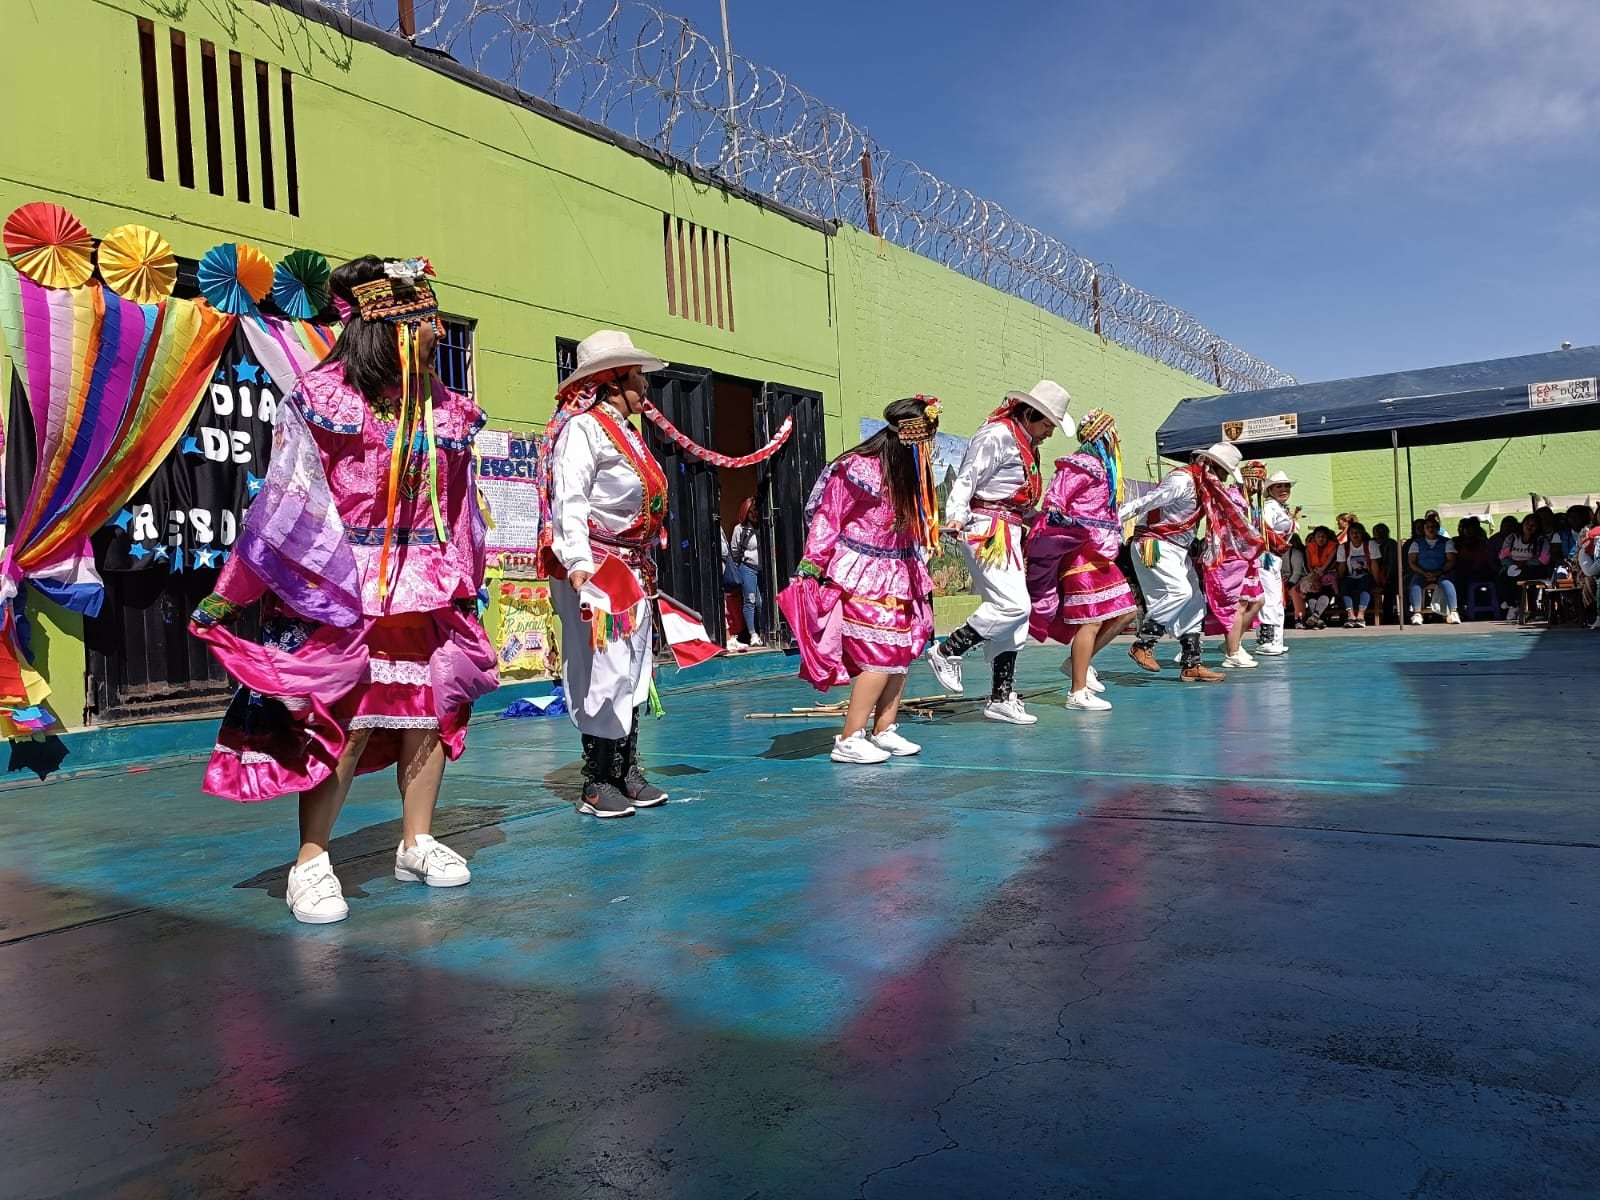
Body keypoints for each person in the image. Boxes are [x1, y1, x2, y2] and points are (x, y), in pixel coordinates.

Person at [189, 256, 492, 924]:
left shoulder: (446, 411)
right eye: (427, 321)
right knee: (345, 721)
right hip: (342, 584)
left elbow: (461, 507)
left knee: (429, 712)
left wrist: (467, 580)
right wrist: (234, 591)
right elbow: (286, 501)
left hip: (426, 586)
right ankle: (311, 860)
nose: (438, 332)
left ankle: (416, 841)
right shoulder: (324, 399)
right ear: (391, 327)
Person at [540, 330, 673, 819]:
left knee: (634, 668)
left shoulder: (627, 433)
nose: (645, 385)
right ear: (613, 381)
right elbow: (569, 499)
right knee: (602, 667)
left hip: (631, 568)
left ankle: (625, 770)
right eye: (637, 376)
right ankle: (597, 782)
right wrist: (578, 564)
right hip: (597, 567)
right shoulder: (584, 429)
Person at [793, 396, 941, 764]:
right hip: (861, 572)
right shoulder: (859, 469)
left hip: (900, 572)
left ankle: (884, 728)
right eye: (927, 439)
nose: (930, 447)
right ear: (911, 438)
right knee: (881, 654)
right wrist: (812, 566)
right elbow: (828, 516)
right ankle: (849, 737)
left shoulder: (910, 476)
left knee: (903, 651)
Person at [929, 380, 1071, 724]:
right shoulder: (997, 435)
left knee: (1017, 616)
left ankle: (1001, 698)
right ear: (1030, 413)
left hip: (1008, 529)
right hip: (987, 530)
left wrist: (1039, 518)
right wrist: (956, 515)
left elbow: (1011, 497)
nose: (1049, 433)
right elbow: (968, 477)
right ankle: (948, 649)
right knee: (1013, 606)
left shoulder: (1025, 442)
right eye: (1048, 424)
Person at [1024, 409, 1138, 710]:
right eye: (1113, 434)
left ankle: (1077, 663)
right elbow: (1055, 499)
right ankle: (1077, 692)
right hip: (1079, 550)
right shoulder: (1081, 464)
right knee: (1091, 619)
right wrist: (1064, 523)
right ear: (1102, 437)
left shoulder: (1105, 470)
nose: (1118, 440)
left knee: (1125, 612)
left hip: (1100, 552)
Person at [1118, 441, 1252, 683]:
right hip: (1155, 544)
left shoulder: (1205, 488)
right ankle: (1143, 644)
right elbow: (1148, 501)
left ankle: (1192, 664)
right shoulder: (1183, 480)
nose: (1223, 480)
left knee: (1195, 601)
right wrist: (1110, 521)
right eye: (1223, 473)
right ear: (1210, 465)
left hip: (1177, 549)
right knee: (1179, 592)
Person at [1207, 461, 1268, 668]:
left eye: (1261, 481)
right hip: (1231, 555)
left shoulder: (1248, 501)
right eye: (1255, 480)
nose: (1258, 485)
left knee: (1257, 601)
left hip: (1246, 556)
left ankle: (1232, 643)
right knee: (1239, 604)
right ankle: (1232, 653)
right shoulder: (1233, 496)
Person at [1254, 469, 1299, 654]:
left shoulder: (1279, 508)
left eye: (1286, 486)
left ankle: (1275, 640)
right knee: (1270, 597)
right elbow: (1262, 532)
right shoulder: (1269, 507)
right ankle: (1267, 640)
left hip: (1274, 558)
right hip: (1266, 556)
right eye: (1278, 486)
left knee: (1275, 598)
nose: (1283, 489)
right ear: (1270, 490)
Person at [1498, 514, 1553, 618]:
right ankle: (1512, 604)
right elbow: (1503, 555)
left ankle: (1523, 607)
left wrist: (1525, 563)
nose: (1529, 527)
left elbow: (1544, 559)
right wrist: (1513, 564)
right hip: (1513, 566)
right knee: (1503, 577)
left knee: (1525, 579)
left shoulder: (1541, 540)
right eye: (1527, 524)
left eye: (1533, 525)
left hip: (1533, 568)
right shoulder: (1512, 538)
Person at [1407, 515, 1460, 623]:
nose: (1431, 529)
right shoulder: (1416, 543)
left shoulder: (1447, 542)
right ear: (1424, 529)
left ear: (1438, 528)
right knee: (1415, 584)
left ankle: (1453, 612)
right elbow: (1412, 562)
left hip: (1443, 572)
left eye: (1434, 527)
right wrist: (1424, 573)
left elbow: (1451, 560)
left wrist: (1439, 572)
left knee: (1447, 583)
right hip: (1422, 573)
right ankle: (1417, 613)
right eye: (1428, 527)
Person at [728, 497, 765, 649]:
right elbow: (734, 551)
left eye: (756, 510)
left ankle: (763, 631)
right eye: (750, 511)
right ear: (745, 513)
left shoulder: (765, 525)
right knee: (750, 600)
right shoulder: (740, 529)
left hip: (762, 569)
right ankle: (753, 634)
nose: (754, 514)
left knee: (761, 602)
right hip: (747, 567)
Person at [1336, 519, 1377, 627]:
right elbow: (1342, 565)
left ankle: (1360, 615)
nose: (1355, 535)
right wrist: (1340, 579)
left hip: (1367, 575)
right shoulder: (1343, 547)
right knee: (1344, 586)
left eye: (1358, 532)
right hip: (1351, 576)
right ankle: (1350, 616)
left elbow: (1374, 564)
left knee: (1365, 585)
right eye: (1352, 533)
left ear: (1362, 533)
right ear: (1349, 535)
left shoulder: (1370, 544)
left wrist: (1377, 581)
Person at [1301, 526, 1339, 627]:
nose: (1321, 539)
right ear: (1314, 538)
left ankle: (1316, 615)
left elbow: (1329, 564)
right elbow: (1307, 565)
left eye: (1323, 536)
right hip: (1313, 574)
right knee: (1312, 593)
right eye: (1318, 536)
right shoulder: (1308, 547)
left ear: (1327, 538)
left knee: (1326, 592)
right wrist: (1313, 576)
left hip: (1328, 574)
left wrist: (1319, 575)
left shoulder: (1333, 547)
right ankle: (1318, 619)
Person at [1283, 533, 1310, 627]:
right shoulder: (1276, 553)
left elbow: (1297, 572)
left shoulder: (1296, 554)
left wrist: (1290, 583)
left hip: (1295, 579)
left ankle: (1299, 618)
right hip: (1281, 579)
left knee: (1295, 591)